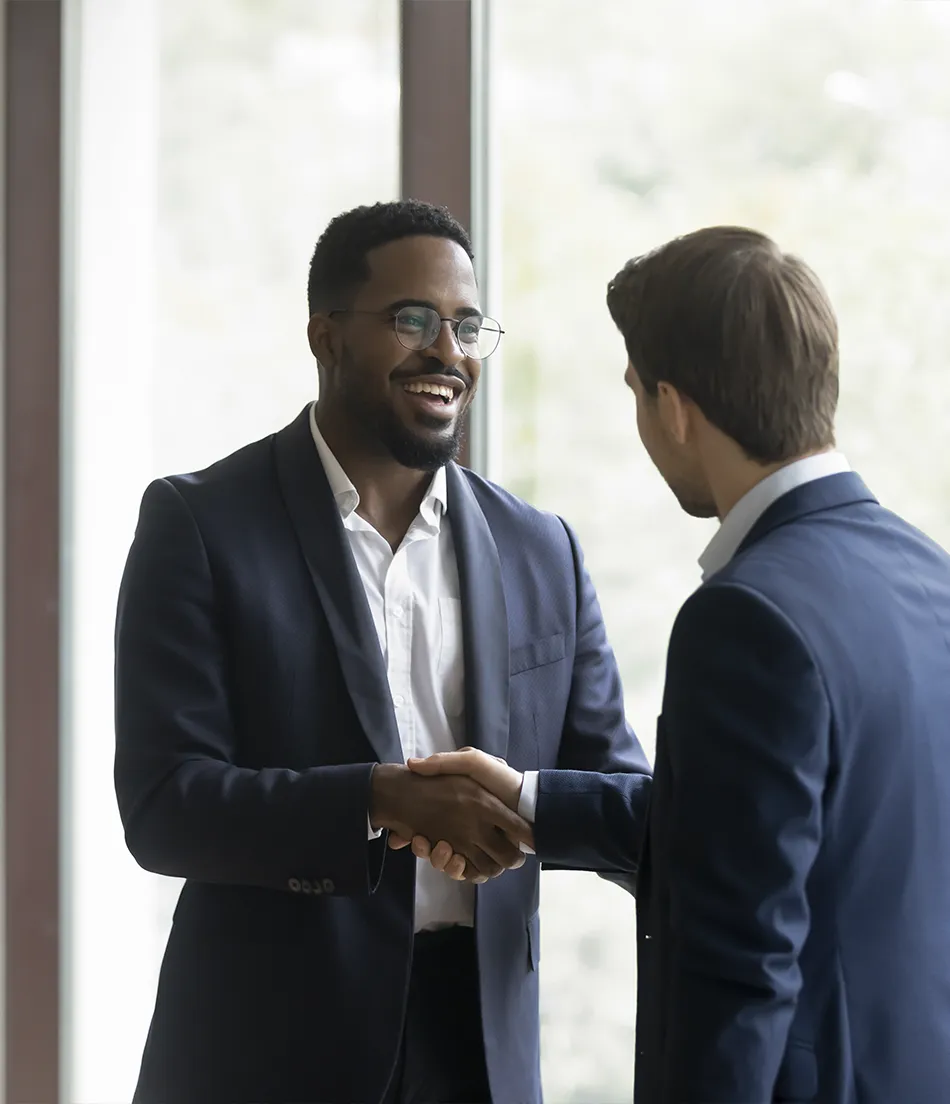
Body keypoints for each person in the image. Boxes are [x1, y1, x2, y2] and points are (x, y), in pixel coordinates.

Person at [114, 199, 651, 1104]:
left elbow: (625, 800)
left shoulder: (542, 550)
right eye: (413, 320)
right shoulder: (199, 525)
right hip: (266, 1053)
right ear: (326, 335)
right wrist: (373, 798)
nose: (449, 351)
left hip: (479, 1051)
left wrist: (524, 806)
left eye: (468, 325)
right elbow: (165, 806)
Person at [604, 226, 950, 1102]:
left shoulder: (743, 618)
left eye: (637, 396)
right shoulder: (928, 574)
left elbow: (741, 970)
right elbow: (824, 838)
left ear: (675, 408)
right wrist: (537, 805)